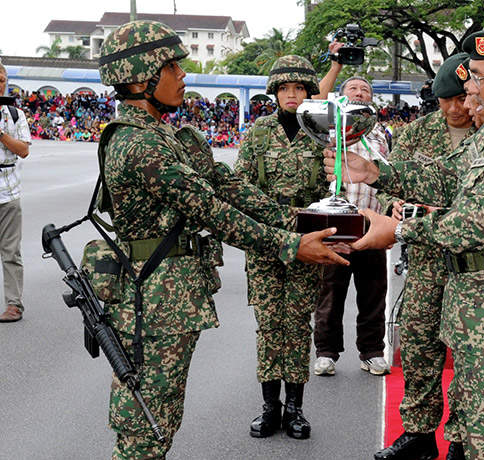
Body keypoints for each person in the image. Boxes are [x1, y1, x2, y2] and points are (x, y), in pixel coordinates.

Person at [98, 22, 347, 459]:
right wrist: (290, 244)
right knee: (146, 422)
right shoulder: (138, 144)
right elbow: (211, 210)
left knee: (163, 415)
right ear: (140, 79)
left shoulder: (170, 136)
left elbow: (226, 184)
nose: (183, 76)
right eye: (172, 67)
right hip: (151, 298)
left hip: (172, 294)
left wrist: (292, 220)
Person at [324, 23, 484, 459]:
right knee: (479, 437)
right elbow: (448, 173)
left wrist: (396, 229)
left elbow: (472, 223)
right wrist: (376, 172)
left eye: (478, 77)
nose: (470, 89)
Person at [373, 53, 477, 460]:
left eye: (460, 98)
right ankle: (418, 434)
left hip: (469, 261)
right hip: (426, 261)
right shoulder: (417, 133)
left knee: (468, 353)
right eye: (445, 99)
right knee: (418, 346)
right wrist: (393, 203)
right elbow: (389, 179)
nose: (454, 109)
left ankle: (463, 439)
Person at [233, 55, 333, 441]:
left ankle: (295, 408)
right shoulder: (258, 132)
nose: (291, 95)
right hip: (264, 244)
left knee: (297, 323)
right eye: (284, 89)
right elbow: (240, 185)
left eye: (299, 88)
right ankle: (269, 408)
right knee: (268, 325)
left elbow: (333, 189)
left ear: (309, 92)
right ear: (274, 94)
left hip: (307, 242)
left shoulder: (321, 132)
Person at [313, 76, 391, 378]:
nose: (360, 93)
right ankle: (326, 352)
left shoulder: (380, 136)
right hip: (334, 228)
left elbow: (387, 177)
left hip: (370, 225)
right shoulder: (328, 131)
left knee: (373, 293)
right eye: (353, 89)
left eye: (366, 90)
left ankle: (371, 352)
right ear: (341, 96)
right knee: (330, 293)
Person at [0, 63, 30, 323]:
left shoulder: (15, 114)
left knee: (10, 251)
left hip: (8, 192)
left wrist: (0, 135)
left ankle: (13, 305)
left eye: (2, 80)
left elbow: (23, 150)